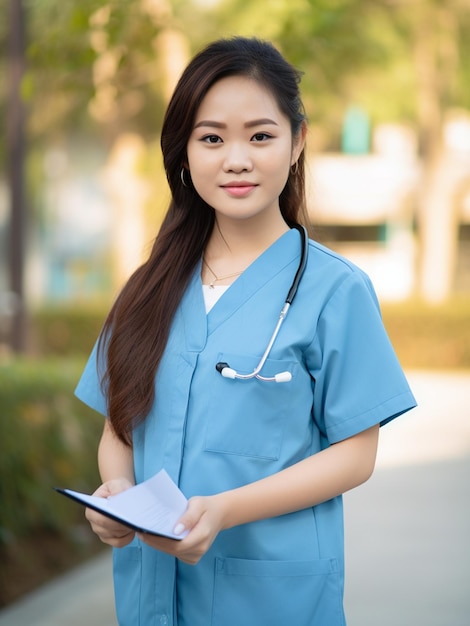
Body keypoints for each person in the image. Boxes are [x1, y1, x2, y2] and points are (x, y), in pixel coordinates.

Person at [77, 37, 416, 626]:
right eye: (212, 138)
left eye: (260, 136)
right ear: (184, 151)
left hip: (273, 597)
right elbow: (119, 429)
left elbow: (355, 455)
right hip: (150, 597)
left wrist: (225, 511)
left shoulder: (336, 290)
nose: (237, 159)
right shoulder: (148, 288)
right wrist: (116, 493)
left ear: (297, 142)